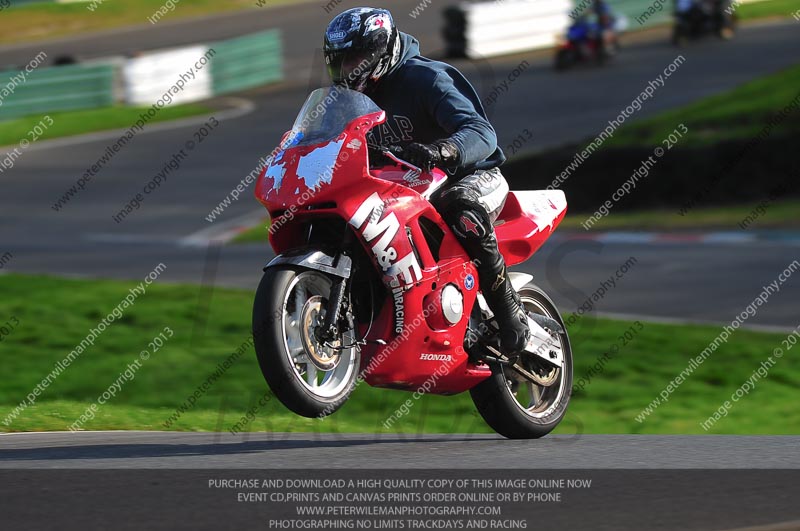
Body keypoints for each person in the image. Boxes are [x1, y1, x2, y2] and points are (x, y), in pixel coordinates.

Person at [323, 7, 530, 354]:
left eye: (356, 58)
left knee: (460, 207)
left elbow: (482, 133)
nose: (348, 69)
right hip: (404, 189)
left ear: (380, 50)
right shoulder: (343, 103)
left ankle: (511, 315)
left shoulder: (426, 79)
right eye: (341, 61)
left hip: (469, 176)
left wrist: (444, 150)